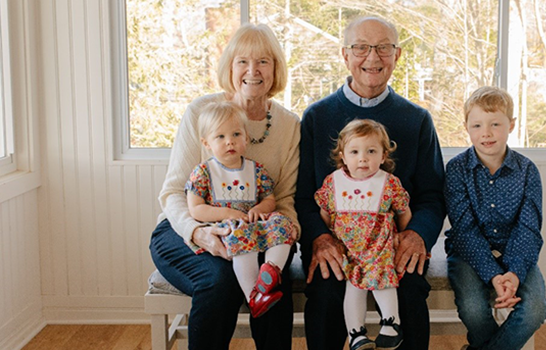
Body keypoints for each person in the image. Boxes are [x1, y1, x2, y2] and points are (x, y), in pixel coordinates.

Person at [296, 16, 446, 350]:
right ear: (345, 55)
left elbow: (432, 195)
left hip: (390, 244)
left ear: (398, 55)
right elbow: (303, 196)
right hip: (335, 242)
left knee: (408, 287)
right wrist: (319, 238)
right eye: (361, 47)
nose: (372, 57)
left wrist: (416, 235)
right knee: (326, 289)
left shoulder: (417, 119)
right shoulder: (316, 117)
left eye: (383, 48)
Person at [149, 23, 300, 350]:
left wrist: (278, 232)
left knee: (273, 285)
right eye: (242, 61)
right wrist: (197, 232)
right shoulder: (201, 113)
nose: (252, 70)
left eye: (263, 61)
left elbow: (285, 199)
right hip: (185, 231)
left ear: (275, 69)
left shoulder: (289, 126)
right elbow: (173, 192)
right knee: (220, 281)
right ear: (229, 66)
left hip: (256, 233)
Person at [444, 86, 546, 350]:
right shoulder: (457, 169)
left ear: (511, 125)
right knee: (473, 309)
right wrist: (493, 275)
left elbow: (529, 228)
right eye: (477, 125)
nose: (486, 133)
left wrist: (513, 273)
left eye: (495, 124)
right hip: (468, 252)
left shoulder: (527, 171)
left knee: (535, 310)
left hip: (516, 252)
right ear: (466, 127)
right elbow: (464, 229)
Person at [185, 101, 296, 318]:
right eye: (220, 137)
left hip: (253, 222)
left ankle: (271, 271)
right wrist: (228, 214)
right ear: (206, 142)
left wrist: (260, 209)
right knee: (241, 235)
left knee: (281, 222)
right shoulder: (204, 172)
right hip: (228, 228)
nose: (230, 142)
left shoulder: (255, 170)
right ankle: (253, 296)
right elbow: (196, 209)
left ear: (246, 138)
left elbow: (270, 198)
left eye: (236, 134)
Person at [315, 119, 412, 350]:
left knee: (382, 279)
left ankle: (391, 323)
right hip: (348, 250)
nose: (363, 158)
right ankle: (356, 334)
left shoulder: (389, 183)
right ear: (343, 155)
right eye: (355, 151)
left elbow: (403, 212)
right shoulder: (333, 182)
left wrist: (405, 234)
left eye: (371, 151)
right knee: (354, 288)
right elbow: (325, 214)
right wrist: (329, 237)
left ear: (383, 155)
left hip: (378, 247)